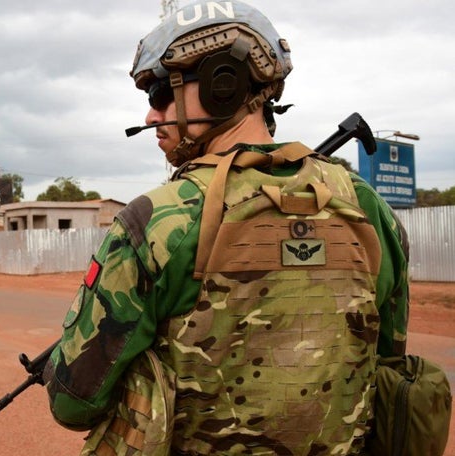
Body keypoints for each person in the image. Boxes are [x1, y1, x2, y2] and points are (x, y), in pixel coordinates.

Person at [42, 2, 410, 455]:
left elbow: (73, 402)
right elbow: (391, 365)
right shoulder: (368, 208)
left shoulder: (152, 221)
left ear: (223, 84)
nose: (150, 117)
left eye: (159, 93)